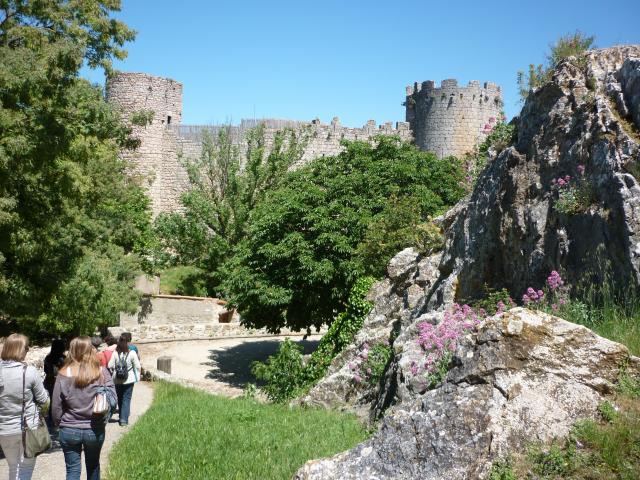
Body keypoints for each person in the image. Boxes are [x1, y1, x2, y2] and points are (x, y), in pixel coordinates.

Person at [52, 336, 116, 480]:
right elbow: (113, 399)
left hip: (69, 428)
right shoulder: (101, 371)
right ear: (90, 350)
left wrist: (58, 424)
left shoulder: (63, 373)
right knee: (93, 466)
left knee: (72, 470)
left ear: (72, 351)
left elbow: (56, 406)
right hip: (94, 428)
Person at [0, 333, 49, 480]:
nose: (27, 351)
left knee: (13, 467)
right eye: (26, 348)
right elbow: (44, 401)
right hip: (27, 428)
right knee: (26, 468)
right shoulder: (30, 372)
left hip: (4, 429)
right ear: (20, 350)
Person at [107, 336, 140, 427]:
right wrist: (137, 376)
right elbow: (137, 366)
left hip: (117, 379)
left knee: (120, 398)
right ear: (127, 343)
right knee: (127, 399)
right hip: (129, 379)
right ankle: (124, 419)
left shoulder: (115, 353)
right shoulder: (132, 353)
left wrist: (115, 370)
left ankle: (121, 415)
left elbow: (110, 365)